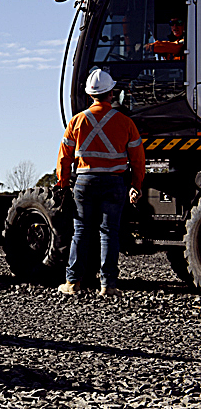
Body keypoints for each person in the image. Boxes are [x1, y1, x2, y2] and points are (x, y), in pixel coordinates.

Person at [56, 68, 145, 297]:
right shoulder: (126, 123)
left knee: (81, 231)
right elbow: (137, 159)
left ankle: (73, 283)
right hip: (114, 183)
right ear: (112, 93)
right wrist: (136, 185)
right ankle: (108, 286)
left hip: (84, 182)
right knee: (109, 233)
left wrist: (63, 183)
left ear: (89, 95)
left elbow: (64, 158)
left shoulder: (77, 121)